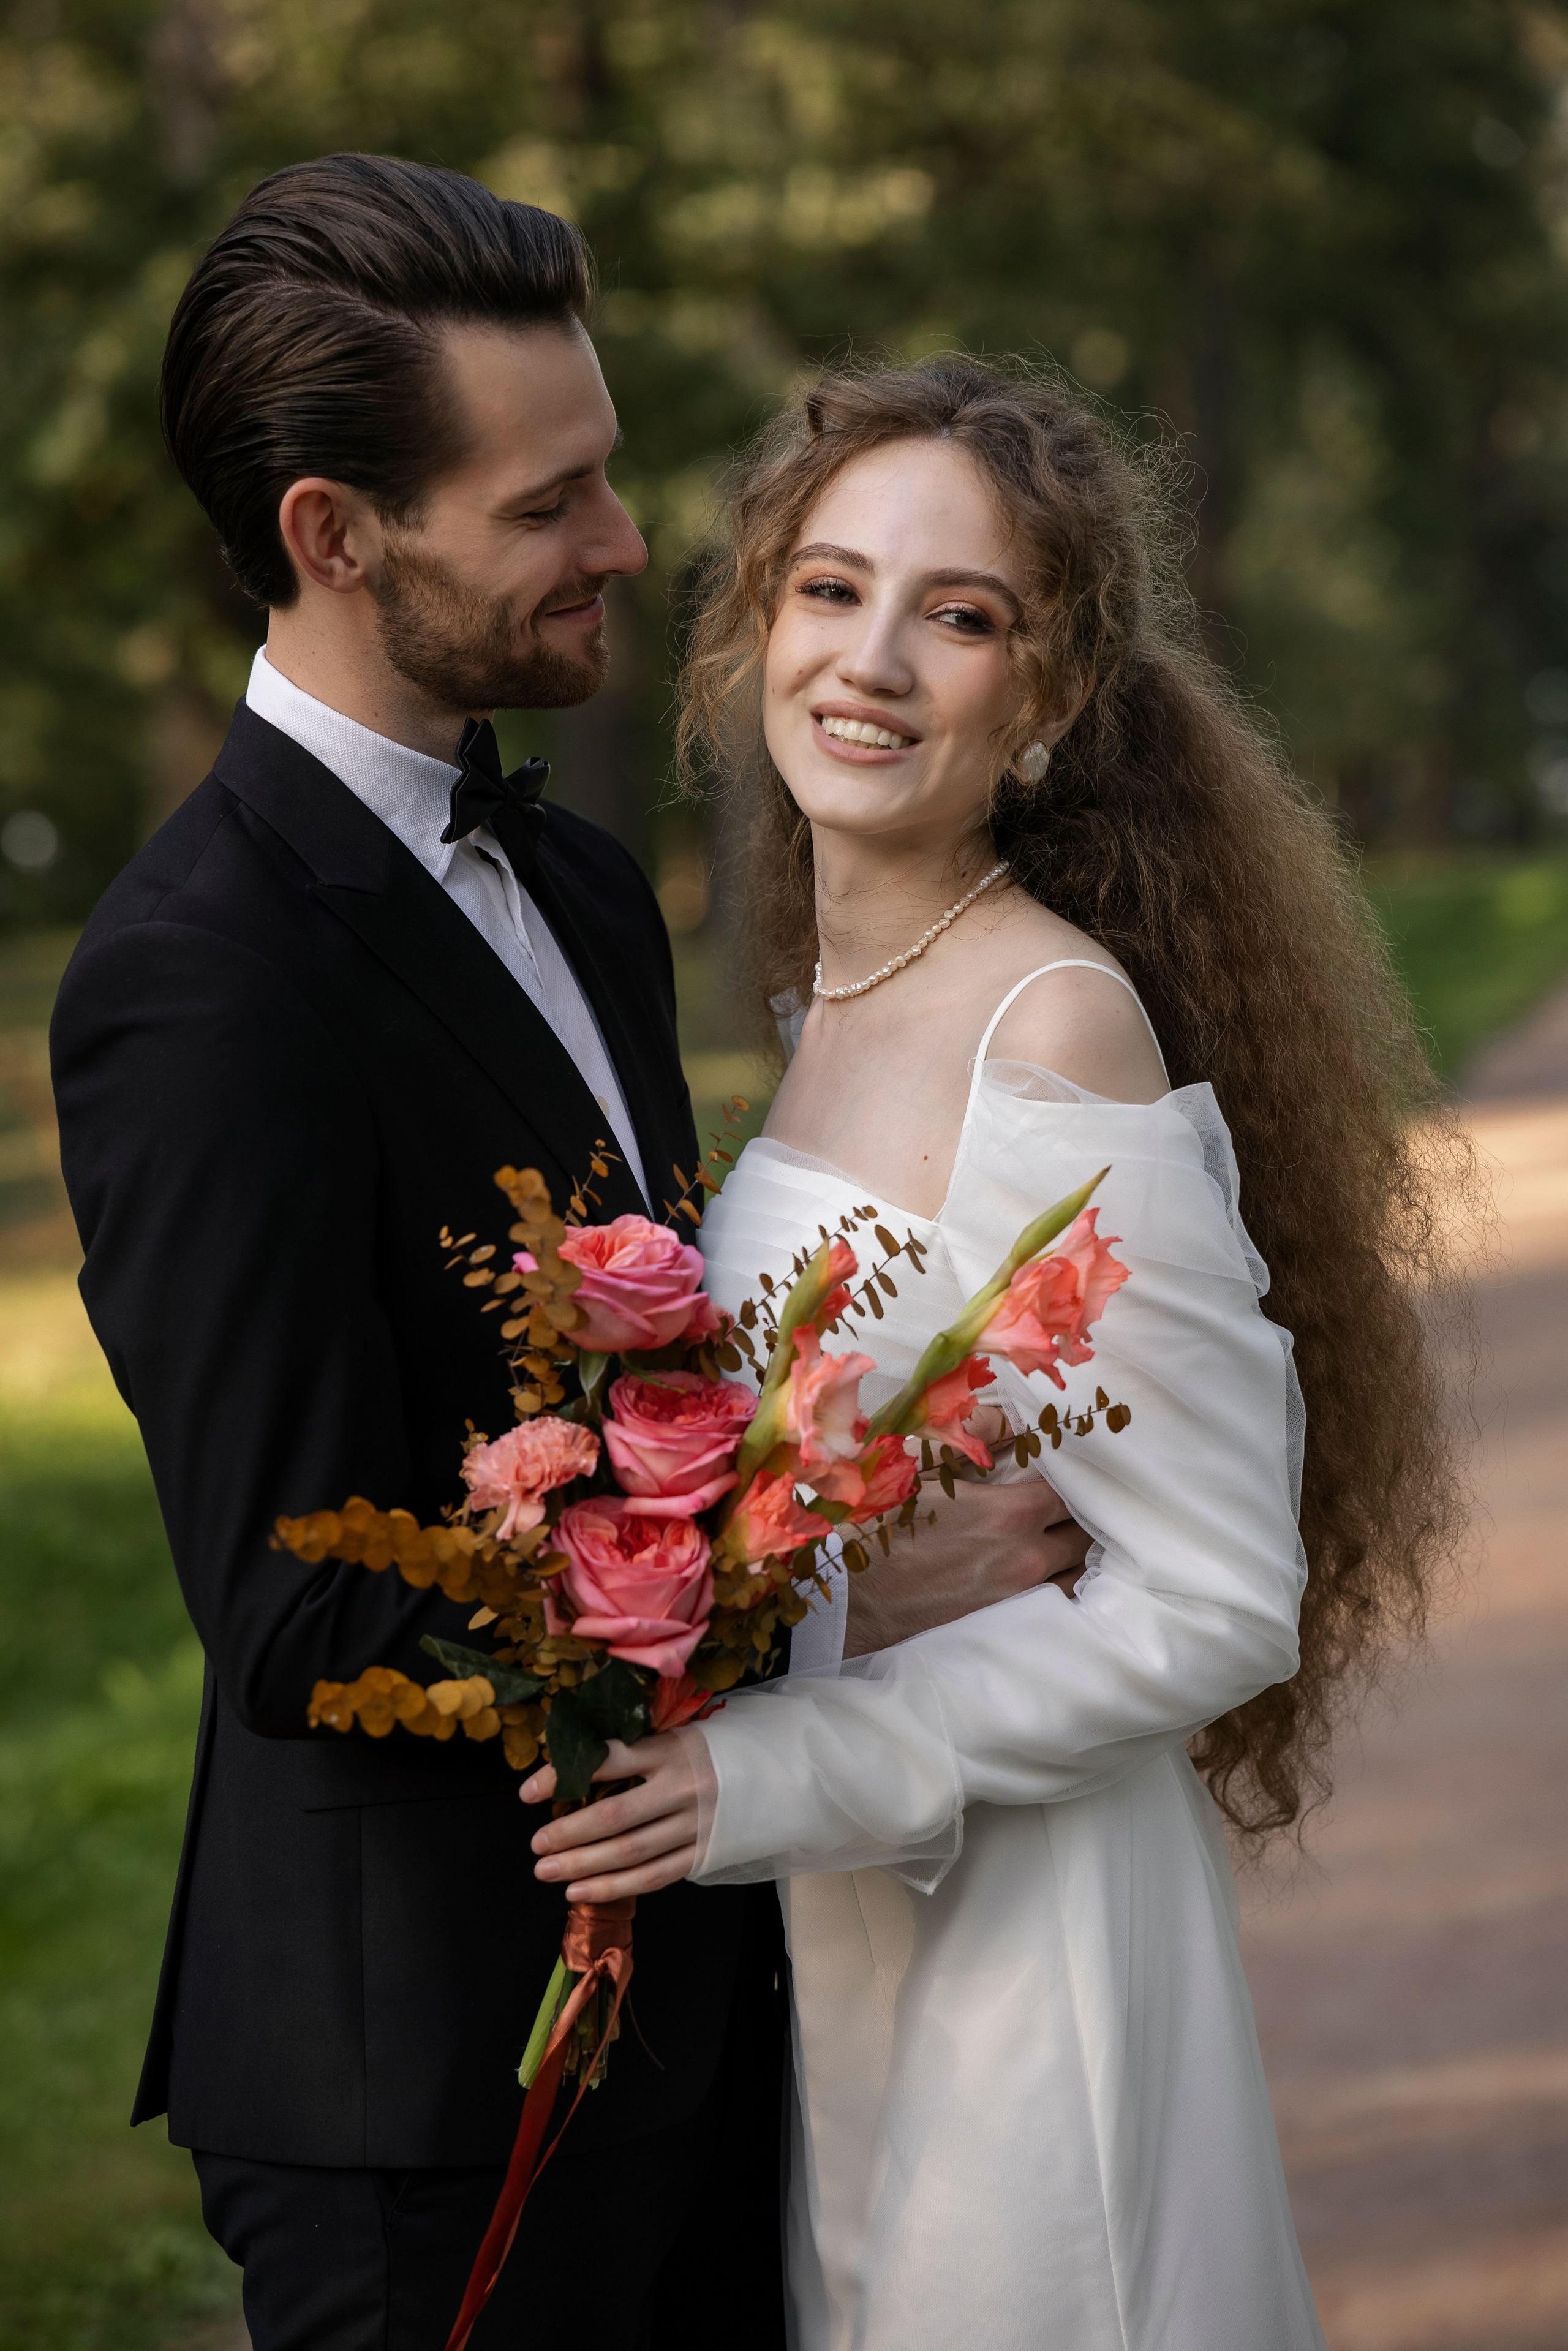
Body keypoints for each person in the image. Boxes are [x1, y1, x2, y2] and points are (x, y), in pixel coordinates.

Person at [50, 164, 1087, 2349]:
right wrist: (837, 1589)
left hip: (706, 2011)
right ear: (337, 534)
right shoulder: (200, 977)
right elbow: (299, 1607)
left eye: (605, 472)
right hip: (427, 2089)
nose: (625, 540)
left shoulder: (590, 885)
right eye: (548, 503)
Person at [521, 358, 1464, 2349]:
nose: (871, 660)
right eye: (830, 588)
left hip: (1030, 1962)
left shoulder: (1051, 1029)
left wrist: (783, 1763)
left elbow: (1217, 1592)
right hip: (851, 1950)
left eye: (959, 616)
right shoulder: (829, 999)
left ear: (1046, 699)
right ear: (757, 626)